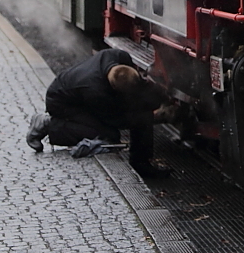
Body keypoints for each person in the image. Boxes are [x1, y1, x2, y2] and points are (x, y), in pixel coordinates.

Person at [25, 48, 173, 179]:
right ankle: (49, 124)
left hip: (78, 91)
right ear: (114, 89)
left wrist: (164, 96)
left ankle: (142, 163)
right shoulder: (96, 93)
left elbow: (140, 85)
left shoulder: (119, 56)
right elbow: (117, 120)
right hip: (62, 103)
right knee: (106, 135)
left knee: (140, 113)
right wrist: (154, 117)